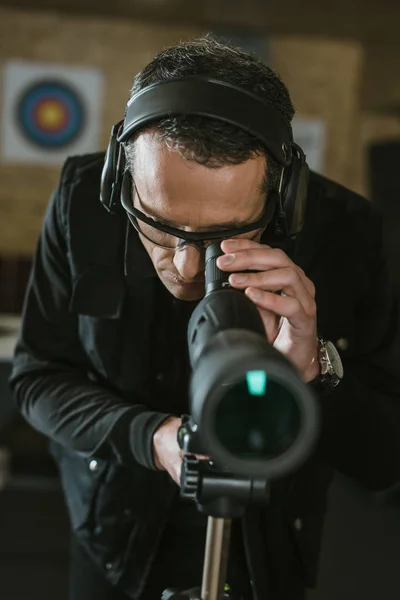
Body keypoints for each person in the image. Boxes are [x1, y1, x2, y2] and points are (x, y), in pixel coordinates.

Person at [9, 36, 400, 600]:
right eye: (158, 225)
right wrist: (153, 438)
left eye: (225, 233)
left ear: (282, 198)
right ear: (119, 179)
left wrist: (316, 368)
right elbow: (36, 378)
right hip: (110, 538)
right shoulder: (79, 201)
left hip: (265, 554)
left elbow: (385, 461)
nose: (188, 267)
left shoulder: (350, 234)